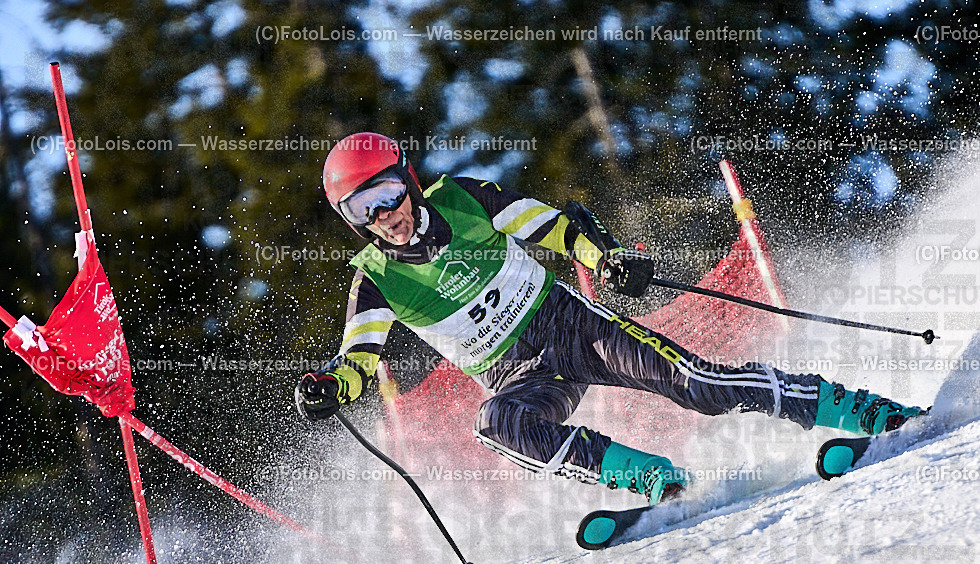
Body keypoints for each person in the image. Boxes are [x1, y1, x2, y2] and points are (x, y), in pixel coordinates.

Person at [295, 132, 922, 505]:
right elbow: (359, 358)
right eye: (361, 210)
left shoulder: (462, 199)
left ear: (407, 178)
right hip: (518, 373)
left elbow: (552, 226)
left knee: (701, 388)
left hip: (572, 329)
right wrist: (332, 387)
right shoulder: (374, 277)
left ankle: (856, 410)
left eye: (386, 194)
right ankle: (656, 482)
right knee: (497, 423)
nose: (384, 216)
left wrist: (608, 258)